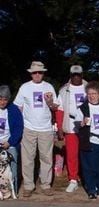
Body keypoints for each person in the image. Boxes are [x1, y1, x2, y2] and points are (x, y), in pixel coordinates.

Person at [14, 61, 57, 197]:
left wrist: (49, 102)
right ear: (31, 74)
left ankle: (45, 185)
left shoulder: (48, 86)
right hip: (28, 128)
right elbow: (18, 107)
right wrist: (18, 126)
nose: (37, 75)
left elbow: (55, 107)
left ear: (43, 73)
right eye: (34, 72)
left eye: (40, 72)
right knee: (27, 158)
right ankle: (28, 186)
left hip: (46, 128)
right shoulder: (24, 87)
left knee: (46, 158)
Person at [76, 81, 99, 200]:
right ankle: (92, 190)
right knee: (90, 168)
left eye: (94, 93)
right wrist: (81, 124)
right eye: (89, 94)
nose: (92, 96)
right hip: (91, 141)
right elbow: (77, 123)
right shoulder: (83, 107)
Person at [55, 65, 88, 193]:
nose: (76, 77)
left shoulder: (89, 87)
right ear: (70, 75)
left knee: (86, 153)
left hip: (86, 126)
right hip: (70, 126)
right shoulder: (64, 90)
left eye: (78, 74)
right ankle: (73, 179)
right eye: (73, 75)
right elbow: (59, 109)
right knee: (71, 154)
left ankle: (87, 177)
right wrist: (59, 126)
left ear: (82, 75)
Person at [0, 85, 23, 194]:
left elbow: (19, 128)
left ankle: (12, 189)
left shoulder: (14, 110)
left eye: (5, 100)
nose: (2, 102)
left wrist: (10, 142)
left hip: (10, 143)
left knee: (12, 165)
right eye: (0, 99)